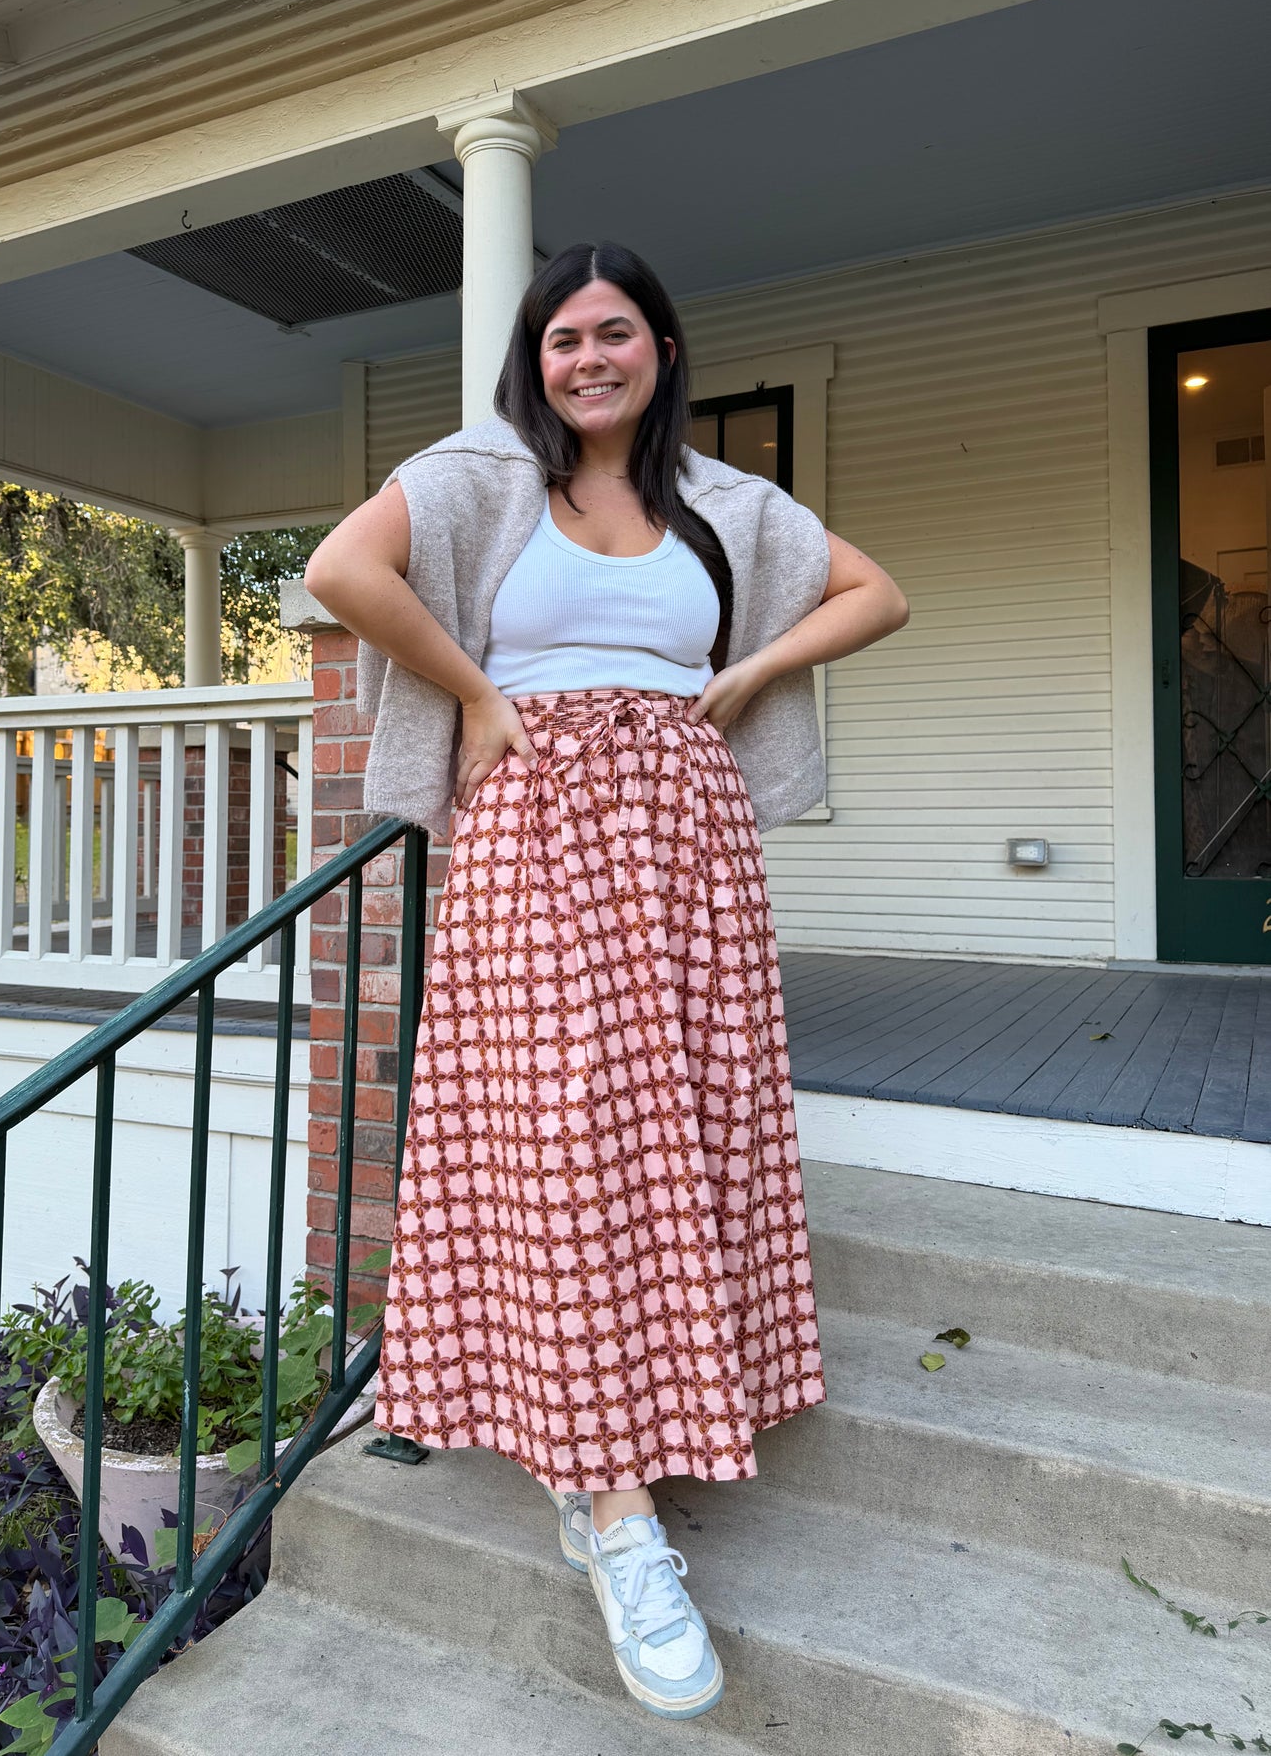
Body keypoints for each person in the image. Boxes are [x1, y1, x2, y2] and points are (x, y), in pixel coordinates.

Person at [304, 241, 908, 1722]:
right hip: (533, 828)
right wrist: (477, 692)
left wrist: (746, 679)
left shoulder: (724, 506)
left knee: (684, 1131)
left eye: (615, 333)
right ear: (537, 355)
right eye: (564, 335)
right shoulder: (479, 474)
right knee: (565, 1142)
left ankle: (646, 1422)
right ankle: (612, 1508)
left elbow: (875, 594)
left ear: (658, 349)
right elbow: (339, 570)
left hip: (689, 841)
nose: (589, 358)